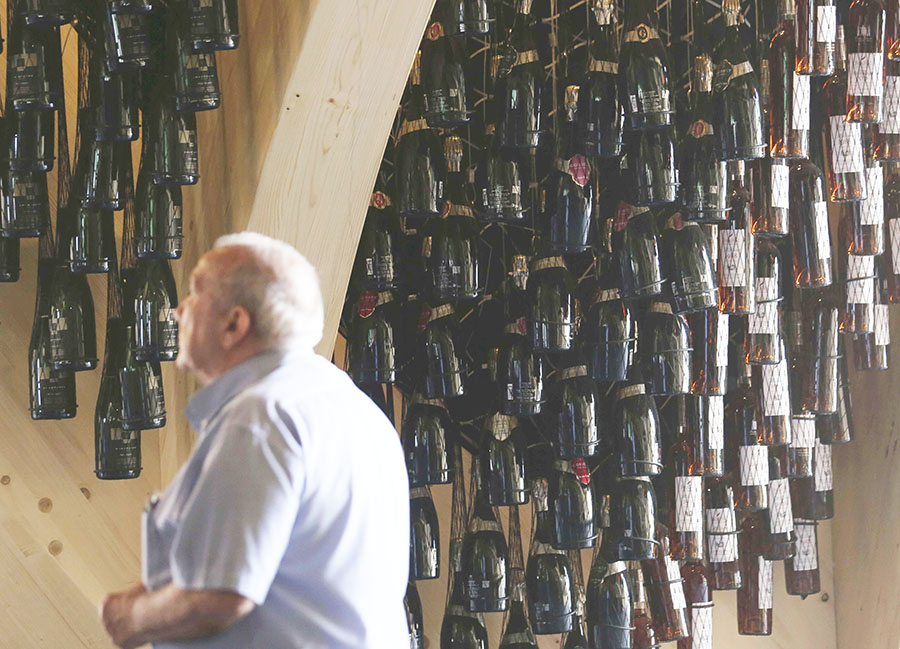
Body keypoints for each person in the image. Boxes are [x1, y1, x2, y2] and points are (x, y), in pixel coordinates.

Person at [100, 232, 410, 649]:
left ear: (234, 324)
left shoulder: (260, 418)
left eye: (195, 294)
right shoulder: (358, 409)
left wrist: (126, 618)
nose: (178, 311)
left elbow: (220, 596)